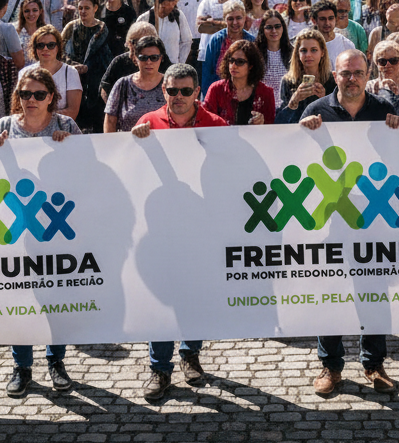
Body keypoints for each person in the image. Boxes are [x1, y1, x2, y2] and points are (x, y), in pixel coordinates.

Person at [298, 49, 399, 396]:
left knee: (373, 292)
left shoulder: (384, 110)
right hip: (331, 218)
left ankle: (374, 364)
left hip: (374, 219)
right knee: (330, 292)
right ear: (336, 76)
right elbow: (295, 155)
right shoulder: (317, 111)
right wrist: (302, 131)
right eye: (345, 73)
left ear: (367, 74)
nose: (352, 79)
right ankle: (331, 366)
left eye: (358, 72)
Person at [130, 63, 227, 400]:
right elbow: (130, 168)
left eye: (186, 91)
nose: (179, 97)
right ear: (164, 91)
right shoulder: (148, 123)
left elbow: (232, 168)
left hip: (201, 228)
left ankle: (190, 354)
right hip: (160, 229)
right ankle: (160, 369)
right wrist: (134, 143)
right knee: (162, 301)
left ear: (198, 92)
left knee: (193, 296)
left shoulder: (217, 126)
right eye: (173, 90)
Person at [0, 67, 80, 398]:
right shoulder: (4, 127)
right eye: (25, 94)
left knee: (55, 298)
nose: (32, 100)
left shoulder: (66, 125)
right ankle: (22, 367)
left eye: (39, 94)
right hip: (16, 228)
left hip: (56, 228)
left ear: (52, 97)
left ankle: (56, 362)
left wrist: (71, 147)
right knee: (21, 300)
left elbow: (87, 168)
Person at [59, 0, 111, 132]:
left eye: (87, 8)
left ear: (95, 8)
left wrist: (89, 67)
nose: (83, 11)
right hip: (73, 78)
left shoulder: (102, 29)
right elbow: (59, 51)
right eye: (80, 8)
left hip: (96, 80)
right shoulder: (71, 27)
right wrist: (73, 65)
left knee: (96, 120)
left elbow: (106, 57)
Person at [103, 35, 166, 132]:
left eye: (154, 57)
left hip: (164, 139)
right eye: (143, 58)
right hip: (128, 140)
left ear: (161, 58)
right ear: (135, 58)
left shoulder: (170, 84)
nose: (148, 62)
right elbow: (110, 121)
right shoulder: (122, 84)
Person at [204, 40, 275, 126]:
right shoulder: (216, 89)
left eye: (240, 62)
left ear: (251, 66)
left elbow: (271, 126)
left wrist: (262, 122)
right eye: (231, 60)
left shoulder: (266, 93)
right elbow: (206, 121)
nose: (233, 65)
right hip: (222, 135)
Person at [20, 25, 82, 121]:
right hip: (31, 127)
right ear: (35, 48)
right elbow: (18, 108)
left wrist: (41, 119)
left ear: (58, 48)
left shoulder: (70, 73)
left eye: (51, 45)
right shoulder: (24, 73)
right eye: (41, 45)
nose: (45, 49)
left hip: (61, 127)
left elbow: (72, 111)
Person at [275, 30, 335, 124]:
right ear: (297, 53)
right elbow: (280, 122)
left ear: (322, 52)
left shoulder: (332, 80)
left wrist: (324, 100)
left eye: (314, 50)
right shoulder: (288, 81)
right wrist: (294, 102)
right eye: (303, 50)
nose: (308, 55)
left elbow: (338, 118)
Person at [136, 0, 192, 65]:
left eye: (173, 4)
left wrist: (180, 62)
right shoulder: (144, 18)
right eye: (165, 6)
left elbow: (186, 41)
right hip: (150, 64)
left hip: (172, 65)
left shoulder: (178, 16)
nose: (170, 7)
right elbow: (136, 43)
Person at [255, 11, 291, 108]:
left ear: (283, 28)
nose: (274, 31)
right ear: (263, 29)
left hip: (287, 108)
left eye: (277, 26)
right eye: (269, 27)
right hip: (262, 107)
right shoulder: (255, 53)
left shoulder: (292, 52)